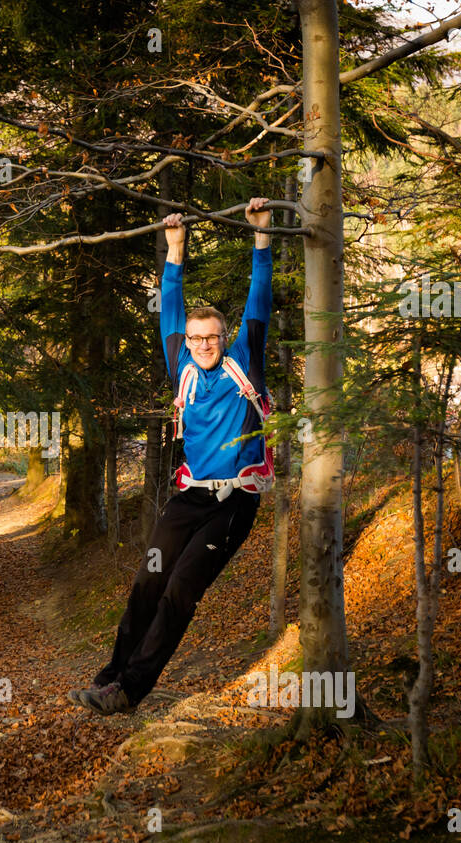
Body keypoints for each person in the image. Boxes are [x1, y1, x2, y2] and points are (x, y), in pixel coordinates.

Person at [69, 197, 273, 716]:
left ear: (225, 339)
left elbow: (259, 299)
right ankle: (110, 674)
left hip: (233, 502)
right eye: (197, 337)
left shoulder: (243, 362)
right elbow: (171, 301)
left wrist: (262, 236)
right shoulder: (180, 364)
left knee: (180, 589)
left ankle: (129, 690)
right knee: (148, 581)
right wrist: (175, 248)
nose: (204, 343)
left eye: (213, 337)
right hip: (188, 499)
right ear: (189, 341)